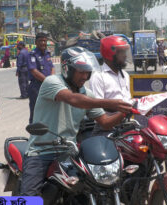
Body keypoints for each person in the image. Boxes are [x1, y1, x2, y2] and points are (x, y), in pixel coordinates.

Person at [20, 47, 133, 199]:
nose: (85, 76)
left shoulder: (86, 94)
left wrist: (125, 111)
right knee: (29, 198)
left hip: (68, 153)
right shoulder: (52, 82)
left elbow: (105, 122)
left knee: (91, 189)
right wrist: (112, 103)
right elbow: (73, 99)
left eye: (87, 72)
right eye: (81, 71)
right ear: (68, 69)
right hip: (41, 152)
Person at [89, 35, 132, 135]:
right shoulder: (98, 76)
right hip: (105, 129)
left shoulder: (125, 75)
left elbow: (127, 100)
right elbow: (98, 107)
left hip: (125, 124)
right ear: (110, 54)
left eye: (125, 52)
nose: (125, 56)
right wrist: (123, 110)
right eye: (121, 52)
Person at [27, 32, 55, 123]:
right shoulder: (32, 54)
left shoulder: (47, 53)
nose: (43, 43)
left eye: (44, 41)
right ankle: (34, 133)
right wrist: (47, 81)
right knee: (36, 111)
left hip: (48, 86)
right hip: (36, 87)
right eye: (40, 41)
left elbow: (52, 67)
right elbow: (34, 71)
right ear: (36, 42)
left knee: (49, 110)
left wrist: (53, 80)